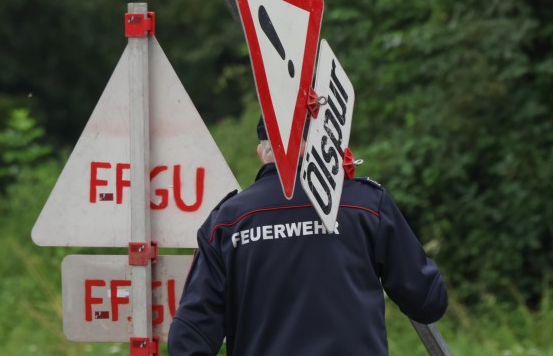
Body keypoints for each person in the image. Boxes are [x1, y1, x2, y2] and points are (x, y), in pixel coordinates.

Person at [168, 117, 448, 355]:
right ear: (326, 138)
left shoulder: (227, 222)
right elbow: (429, 302)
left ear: (261, 151)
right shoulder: (365, 204)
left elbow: (188, 339)